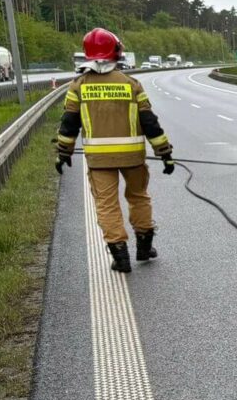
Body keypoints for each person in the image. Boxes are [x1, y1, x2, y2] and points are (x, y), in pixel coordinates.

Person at [55, 28, 175, 273]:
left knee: (107, 205)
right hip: (133, 158)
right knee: (139, 197)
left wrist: (64, 153)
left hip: (100, 160)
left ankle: (120, 258)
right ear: (116, 52)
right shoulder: (131, 84)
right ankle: (144, 248)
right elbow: (150, 122)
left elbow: (69, 125)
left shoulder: (78, 86)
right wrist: (165, 153)